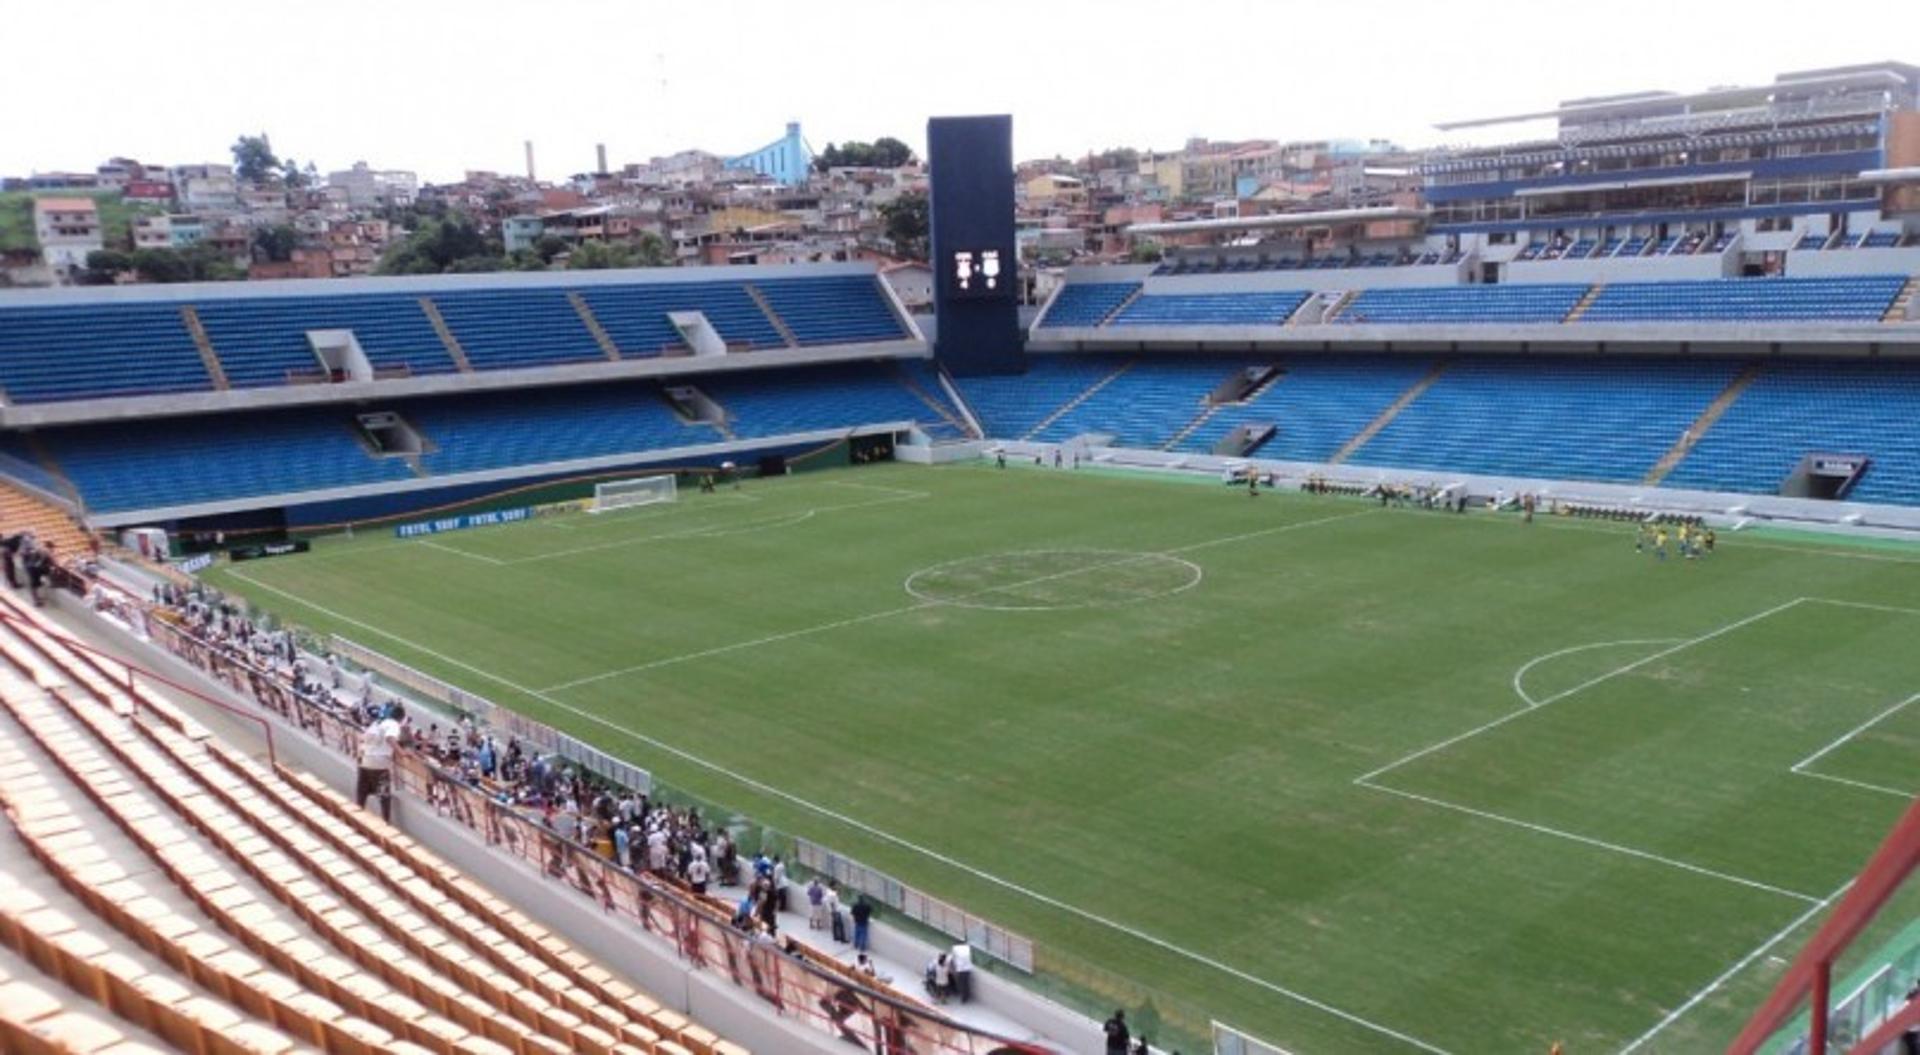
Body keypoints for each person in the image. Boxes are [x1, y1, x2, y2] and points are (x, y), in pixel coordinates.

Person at [355, 702, 404, 822]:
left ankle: (356, 820)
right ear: (401, 718)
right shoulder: (393, 725)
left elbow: (362, 740)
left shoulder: (376, 723)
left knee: (362, 794)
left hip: (365, 762)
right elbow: (390, 738)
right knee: (384, 797)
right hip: (379, 764)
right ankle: (385, 823)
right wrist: (401, 753)